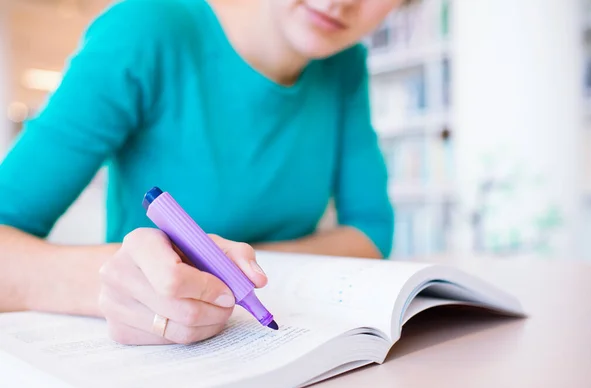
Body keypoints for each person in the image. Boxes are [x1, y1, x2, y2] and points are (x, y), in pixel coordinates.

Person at [0, 0, 402, 345]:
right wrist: (113, 284)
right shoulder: (143, 28)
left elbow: (370, 230)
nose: (340, 1)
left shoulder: (343, 61)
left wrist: (236, 270)